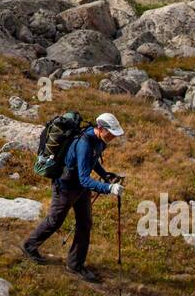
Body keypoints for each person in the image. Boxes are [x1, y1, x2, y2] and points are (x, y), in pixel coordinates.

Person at [22, 112, 126, 282]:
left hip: (79, 188)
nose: (114, 137)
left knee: (85, 223)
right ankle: (28, 247)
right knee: (55, 220)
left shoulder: (100, 141)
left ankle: (75, 264)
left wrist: (105, 175)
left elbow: (93, 162)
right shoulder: (84, 143)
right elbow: (85, 178)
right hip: (65, 187)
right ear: (100, 128)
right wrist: (109, 188)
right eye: (111, 133)